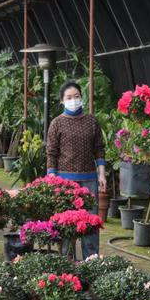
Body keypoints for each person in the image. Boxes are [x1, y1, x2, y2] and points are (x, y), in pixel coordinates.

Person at [46, 80, 106, 259]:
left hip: (89, 179)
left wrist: (101, 174)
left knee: (91, 223)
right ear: (62, 101)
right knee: (65, 223)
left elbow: (99, 148)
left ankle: (91, 261)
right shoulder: (57, 123)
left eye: (77, 96)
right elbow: (51, 153)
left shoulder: (91, 121)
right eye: (69, 97)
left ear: (82, 98)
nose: (74, 100)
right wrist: (52, 178)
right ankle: (66, 262)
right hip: (65, 182)